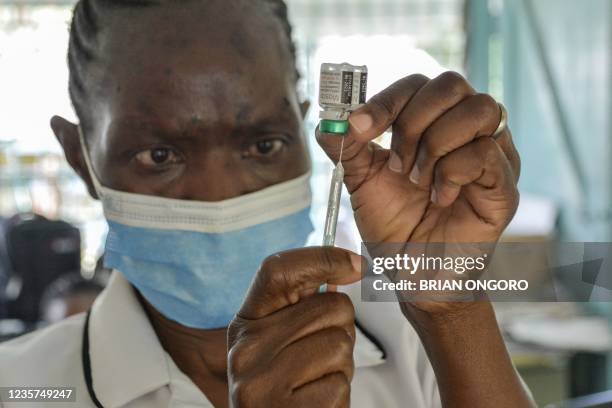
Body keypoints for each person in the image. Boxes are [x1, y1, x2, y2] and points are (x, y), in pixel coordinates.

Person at [0, 0, 534, 407]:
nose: (220, 199)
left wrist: (451, 310)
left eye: (262, 145)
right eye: (158, 154)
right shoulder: (23, 387)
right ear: (81, 160)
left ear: (305, 133)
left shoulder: (412, 344)